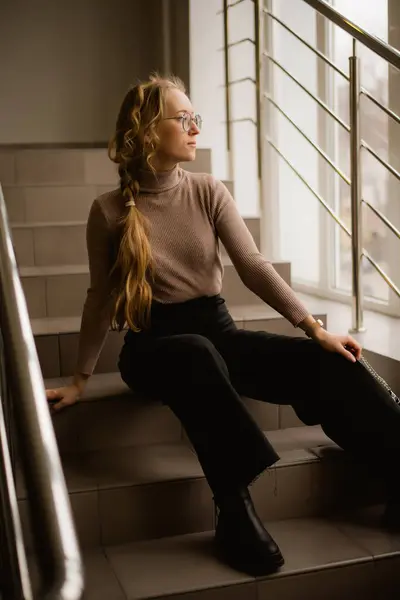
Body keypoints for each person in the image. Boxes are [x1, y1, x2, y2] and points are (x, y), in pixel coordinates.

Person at [46, 74, 400, 577]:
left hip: (217, 333)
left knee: (324, 359)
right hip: (153, 348)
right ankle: (233, 509)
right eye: (183, 118)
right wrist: (81, 378)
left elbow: (253, 267)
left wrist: (312, 329)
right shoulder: (107, 212)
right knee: (194, 352)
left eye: (197, 118)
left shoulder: (208, 190)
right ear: (149, 129)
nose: (195, 127)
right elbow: (100, 299)